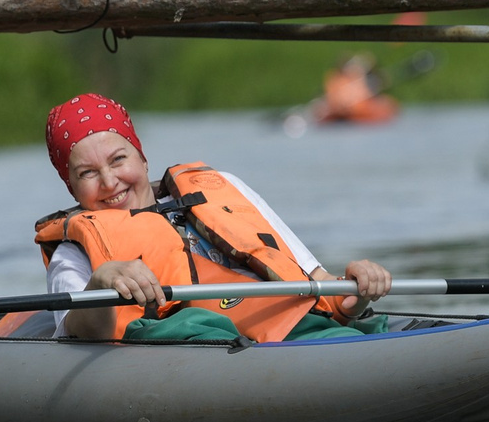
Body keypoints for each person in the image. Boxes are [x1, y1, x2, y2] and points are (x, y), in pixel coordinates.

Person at [30, 94, 391, 344]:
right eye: (88, 173)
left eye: (118, 159)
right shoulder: (72, 255)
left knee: (336, 331)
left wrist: (358, 288)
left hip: (290, 329)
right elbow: (78, 334)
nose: (110, 182)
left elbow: (323, 288)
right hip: (197, 348)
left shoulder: (221, 188)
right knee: (196, 323)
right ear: (73, 189)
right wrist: (100, 286)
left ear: (142, 158)